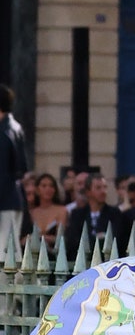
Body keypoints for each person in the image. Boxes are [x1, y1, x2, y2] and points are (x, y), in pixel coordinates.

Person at [0, 86, 28, 252]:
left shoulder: (3, 133)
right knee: (11, 251)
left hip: (3, 201)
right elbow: (21, 168)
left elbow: (2, 173)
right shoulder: (15, 127)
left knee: (5, 256)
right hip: (13, 199)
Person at [66, 174, 118, 260]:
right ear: (88, 192)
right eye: (98, 188)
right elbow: (73, 241)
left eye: (105, 187)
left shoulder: (115, 213)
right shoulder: (77, 214)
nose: (103, 191)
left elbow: (115, 239)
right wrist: (99, 237)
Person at [30, 170, 69, 255]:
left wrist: (39, 237)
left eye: (51, 186)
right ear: (37, 190)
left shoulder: (62, 210)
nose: (48, 189)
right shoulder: (32, 212)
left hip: (55, 255)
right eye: (44, 186)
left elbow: (60, 237)